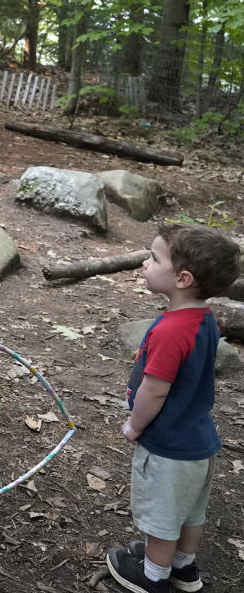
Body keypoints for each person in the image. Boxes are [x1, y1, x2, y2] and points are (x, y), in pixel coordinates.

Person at [106, 223, 241, 593]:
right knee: (189, 512)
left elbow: (155, 391)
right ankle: (183, 568)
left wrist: (135, 426)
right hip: (198, 441)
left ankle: (152, 577)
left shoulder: (169, 331)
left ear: (182, 278)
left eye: (153, 258)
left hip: (169, 446)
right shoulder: (204, 319)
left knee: (163, 518)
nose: (145, 264)